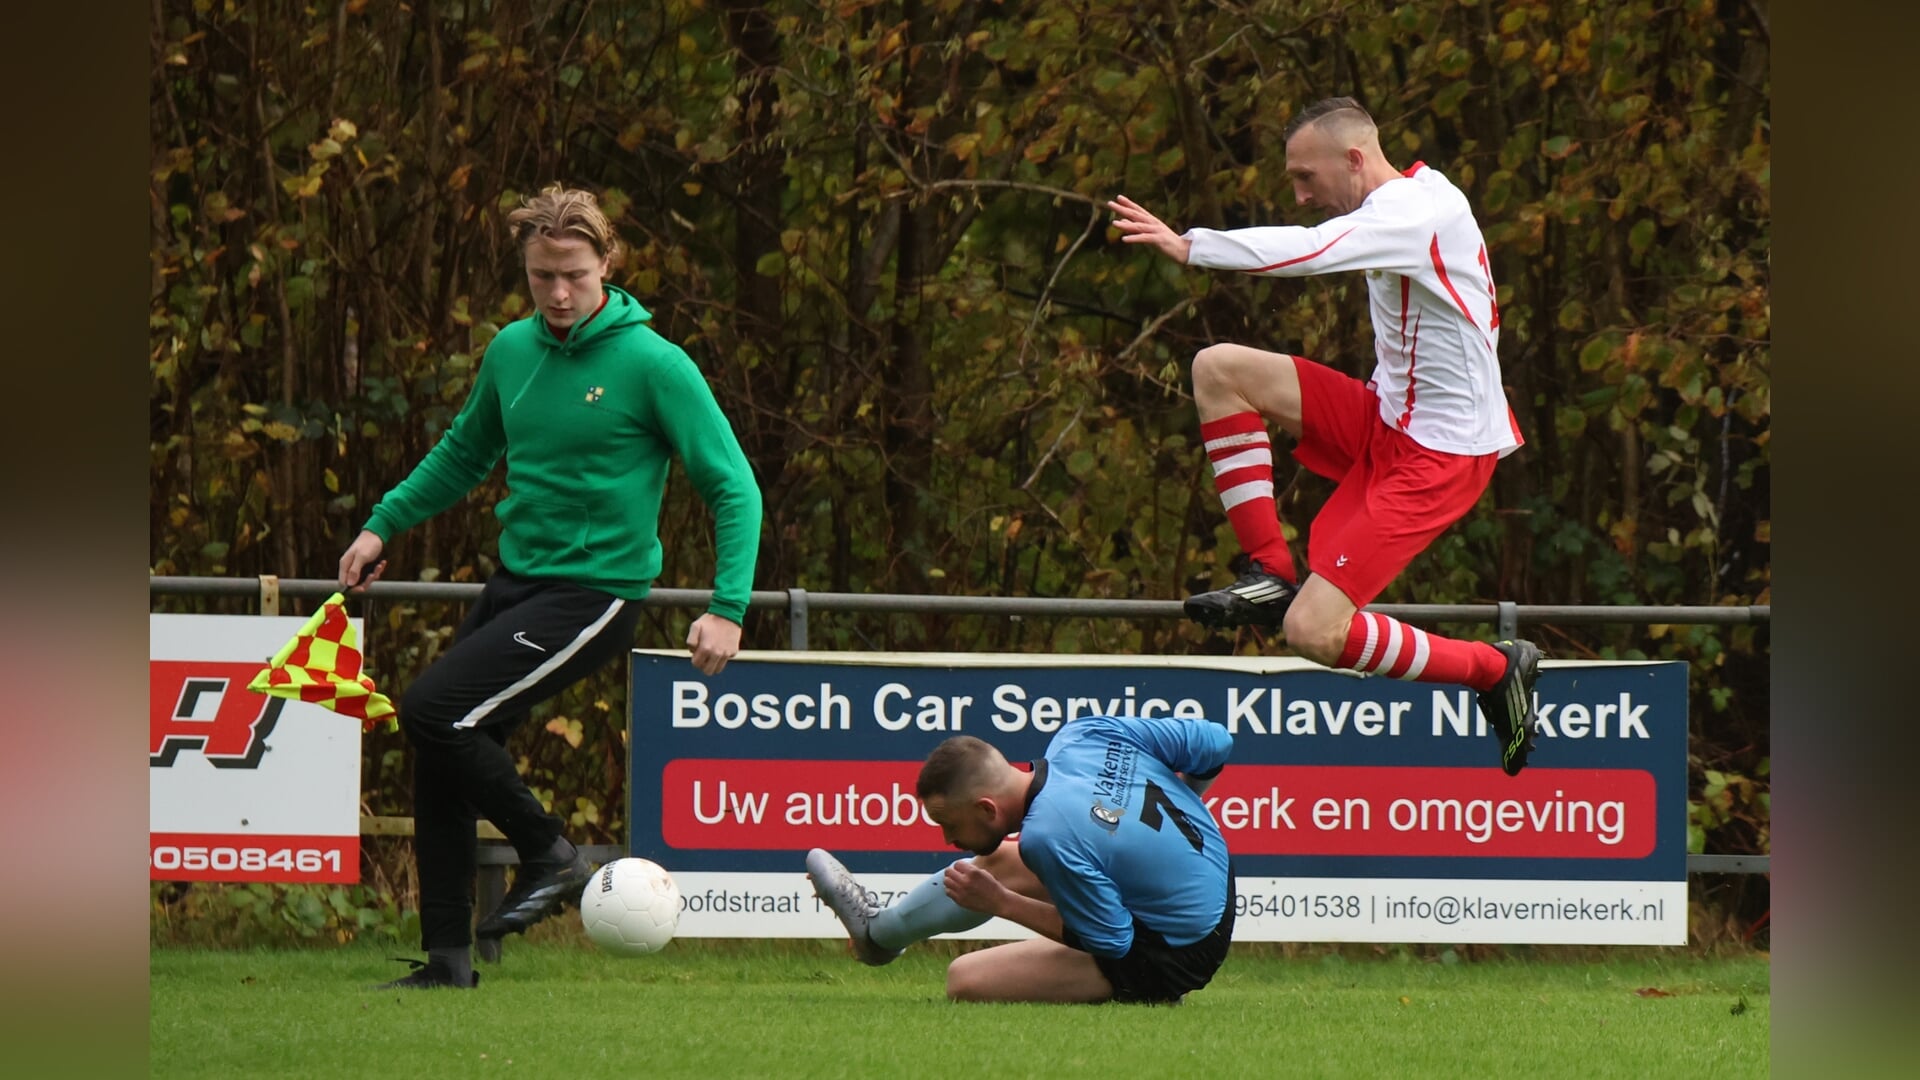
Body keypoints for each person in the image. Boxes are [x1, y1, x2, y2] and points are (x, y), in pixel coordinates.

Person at [339, 184, 763, 990]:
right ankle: (447, 963)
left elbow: (732, 485)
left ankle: (551, 853)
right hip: (515, 582)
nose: (559, 294)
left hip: (593, 594)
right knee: (441, 746)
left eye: (573, 273)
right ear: (525, 271)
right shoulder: (510, 351)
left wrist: (727, 607)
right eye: (542, 277)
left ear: (607, 262)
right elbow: (464, 454)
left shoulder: (654, 364)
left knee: (431, 706)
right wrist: (381, 523)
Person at [1107, 96, 1543, 776]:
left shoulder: (1415, 212)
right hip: (1386, 420)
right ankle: (1270, 572)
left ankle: (1491, 670)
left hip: (1440, 458)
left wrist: (1193, 246)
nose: (1302, 194)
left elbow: (1311, 252)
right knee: (1218, 369)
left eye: (1306, 178)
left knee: (1312, 632)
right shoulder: (1408, 201)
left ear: (1353, 159)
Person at [807, 717, 1234, 1005]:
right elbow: (1216, 740)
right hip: (1217, 871)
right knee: (999, 865)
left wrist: (1001, 904)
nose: (947, 838)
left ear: (988, 809)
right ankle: (880, 933)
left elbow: (1114, 942)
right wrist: (1187, 805)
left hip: (1181, 948)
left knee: (965, 979)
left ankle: (1157, 990)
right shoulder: (1085, 734)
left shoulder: (1048, 836)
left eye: (948, 823)